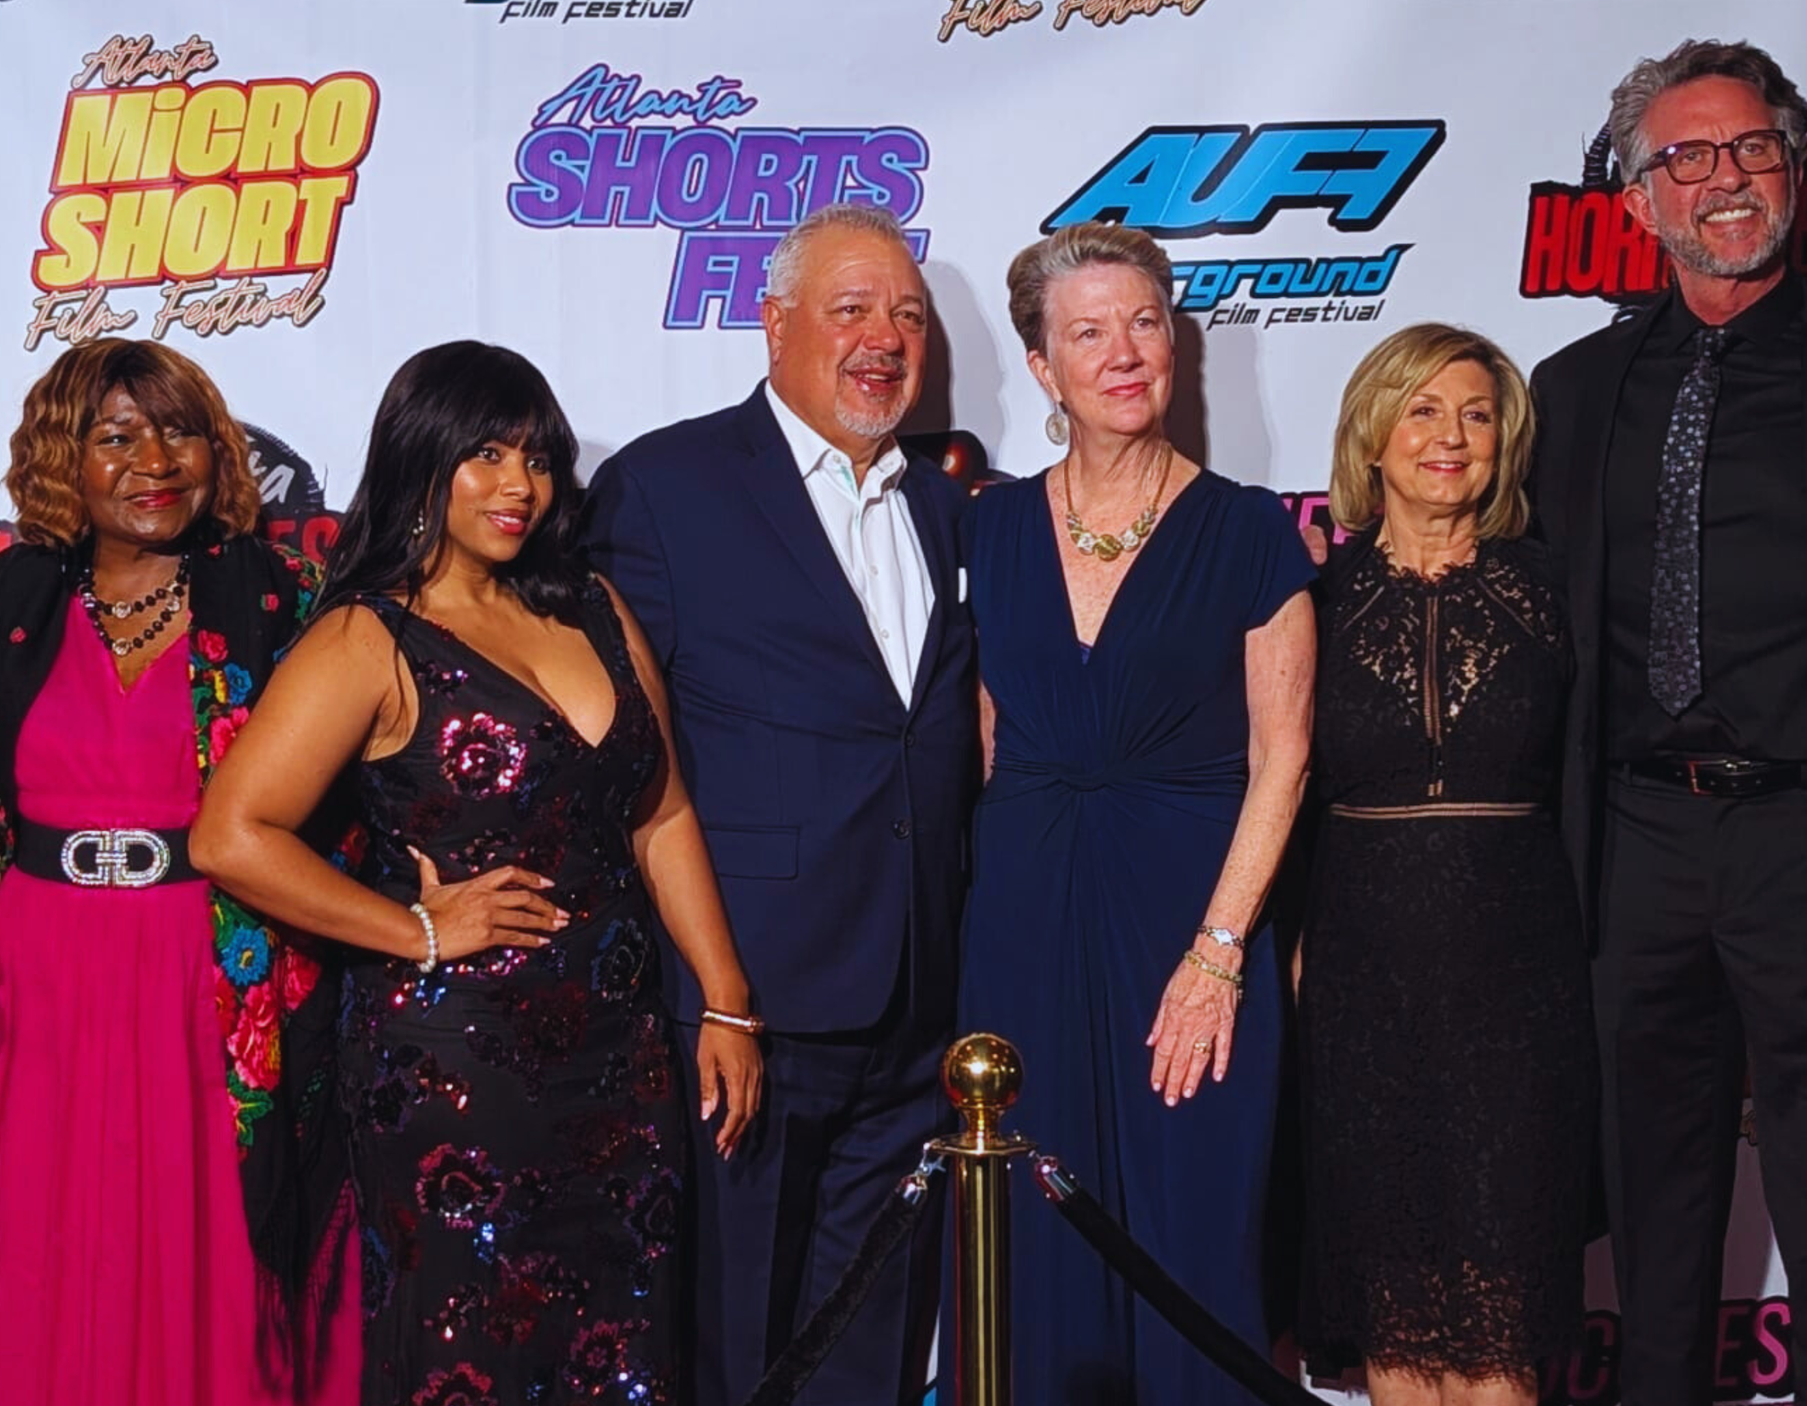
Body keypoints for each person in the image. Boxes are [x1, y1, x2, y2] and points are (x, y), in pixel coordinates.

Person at [191, 340, 762, 1405]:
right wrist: (416, 927)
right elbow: (231, 832)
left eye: (538, 458)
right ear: (422, 460)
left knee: (623, 1352)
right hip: (456, 1069)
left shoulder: (590, 602)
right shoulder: (372, 633)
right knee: (472, 1357)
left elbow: (663, 808)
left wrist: (726, 1002)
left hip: (620, 1058)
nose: (519, 485)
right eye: (486, 454)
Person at [1530, 40, 1807, 1406]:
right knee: (1651, 1240)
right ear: (1640, 199)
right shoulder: (1575, 394)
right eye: (1689, 158)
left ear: (1796, 171)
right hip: (1637, 849)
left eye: (1754, 150)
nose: (1727, 180)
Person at [583, 201, 976, 1406]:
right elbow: (619, 756)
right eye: (851, 308)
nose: (884, 337)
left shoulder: (952, 503)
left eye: (906, 314)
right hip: (747, 1001)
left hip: (920, 1000)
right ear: (773, 323)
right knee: (733, 1333)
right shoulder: (666, 485)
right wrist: (711, 990)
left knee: (869, 1331)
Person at [0, 339, 356, 1406]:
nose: (153, 459)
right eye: (115, 435)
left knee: (207, 1238)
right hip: (38, 972)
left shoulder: (287, 604)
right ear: (61, 459)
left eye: (176, 431)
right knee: (40, 1232)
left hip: (208, 968)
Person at [961, 220, 1313, 1405]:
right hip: (1022, 922)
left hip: (1190, 927)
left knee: (1191, 1232)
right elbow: (982, 740)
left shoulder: (1250, 529)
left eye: (1146, 323)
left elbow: (1285, 757)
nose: (1124, 353)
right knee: (1032, 1232)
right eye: (1088, 332)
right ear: (1040, 366)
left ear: (1177, 345)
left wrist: (1216, 956)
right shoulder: (990, 529)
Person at [1298, 324, 1593, 1406]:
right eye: (1422, 408)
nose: (1449, 436)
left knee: (1499, 1303)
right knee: (1395, 1290)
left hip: (1517, 978)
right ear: (1372, 434)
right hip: (1360, 976)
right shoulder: (1310, 603)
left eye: (1475, 413)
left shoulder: (1555, 590)